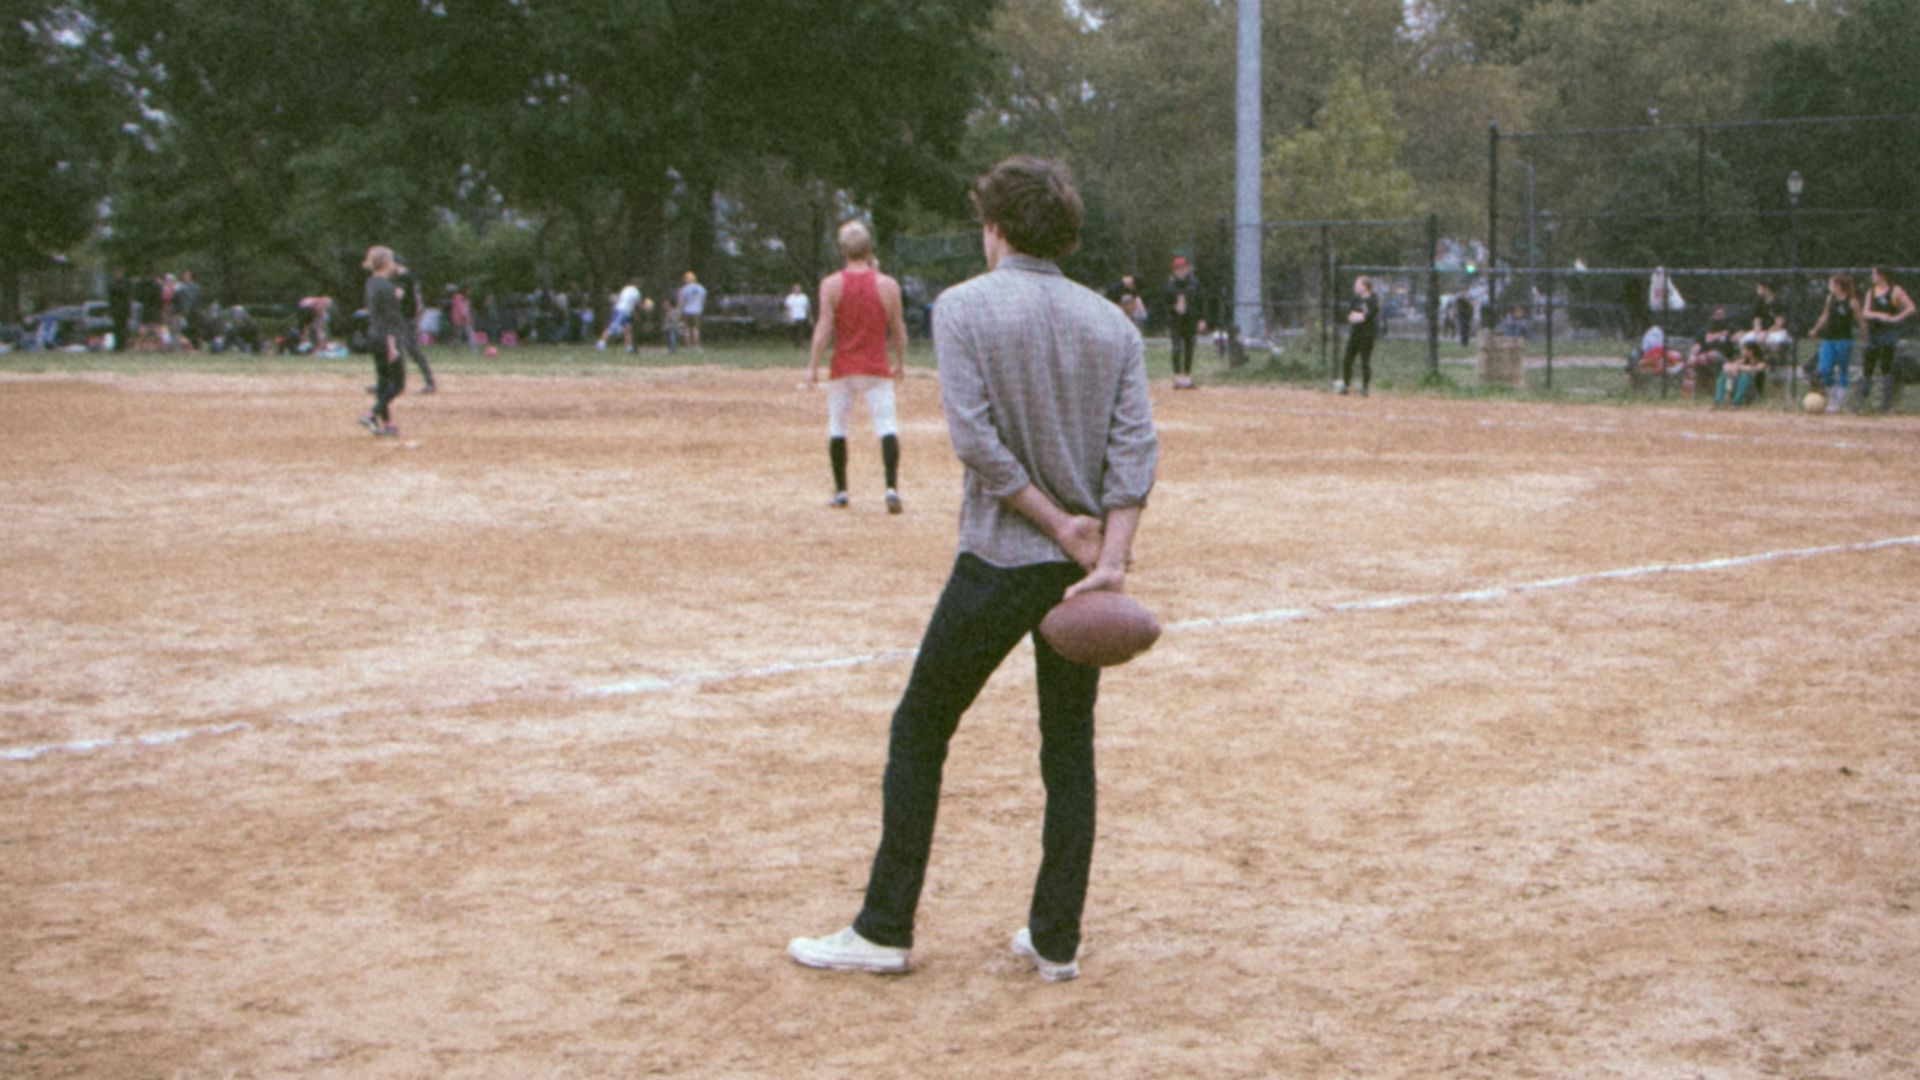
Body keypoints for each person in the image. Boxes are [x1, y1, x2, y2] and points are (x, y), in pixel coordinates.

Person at [788, 155, 1158, 983]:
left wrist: (1054, 520)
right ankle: (1055, 940)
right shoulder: (1113, 325)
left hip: (1000, 557)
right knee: (1069, 750)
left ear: (995, 228)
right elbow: (1134, 451)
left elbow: (976, 442)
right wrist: (1109, 556)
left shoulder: (962, 307)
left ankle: (884, 928)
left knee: (920, 727)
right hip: (1080, 577)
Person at [806, 221, 909, 513]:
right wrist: (901, 362)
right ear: (869, 249)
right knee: (886, 425)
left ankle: (841, 491)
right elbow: (898, 329)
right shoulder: (888, 285)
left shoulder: (831, 285)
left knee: (838, 426)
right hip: (876, 367)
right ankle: (891, 489)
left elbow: (824, 327)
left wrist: (813, 365)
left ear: (842, 250)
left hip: (844, 366)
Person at [358, 247, 407, 437]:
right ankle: (371, 414)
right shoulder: (386, 287)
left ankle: (387, 424)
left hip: (374, 335)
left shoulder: (371, 283)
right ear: (386, 263)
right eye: (393, 260)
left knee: (383, 382)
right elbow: (389, 319)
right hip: (388, 337)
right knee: (398, 384)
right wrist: (392, 345)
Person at [1859, 267, 1914, 413]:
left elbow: (1911, 308)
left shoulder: (1895, 290)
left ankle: (1886, 404)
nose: (1872, 277)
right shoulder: (1871, 292)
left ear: (1882, 275)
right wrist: (1878, 315)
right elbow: (1865, 312)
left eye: (1874, 274)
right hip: (1874, 333)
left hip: (1889, 333)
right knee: (1868, 365)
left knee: (1886, 366)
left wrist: (1896, 318)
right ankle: (1862, 401)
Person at [1806, 273, 1862, 412]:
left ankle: (1840, 399)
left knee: (1843, 367)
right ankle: (1832, 393)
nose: (1829, 287)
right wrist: (1816, 329)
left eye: (1831, 284)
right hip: (1829, 338)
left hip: (1843, 339)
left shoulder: (1851, 301)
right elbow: (1825, 315)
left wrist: (1865, 334)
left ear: (1838, 286)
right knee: (1824, 368)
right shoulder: (1830, 298)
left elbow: (1860, 320)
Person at [391, 259, 437, 393]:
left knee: (399, 348)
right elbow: (418, 301)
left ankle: (395, 383)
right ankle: (429, 381)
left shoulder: (404, 278)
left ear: (397, 263)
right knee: (410, 349)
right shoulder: (411, 277)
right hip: (409, 318)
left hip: (404, 318)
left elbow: (398, 295)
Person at [1164, 256, 1204, 389]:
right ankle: (1177, 377)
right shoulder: (1170, 285)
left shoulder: (1195, 284)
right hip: (1176, 321)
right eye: (1177, 269)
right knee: (1176, 348)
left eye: (1183, 268)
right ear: (1174, 270)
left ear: (1187, 269)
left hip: (1190, 320)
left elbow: (1201, 302)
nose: (1180, 271)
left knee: (1189, 348)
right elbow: (1164, 305)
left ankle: (1187, 376)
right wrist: (1173, 308)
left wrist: (1202, 319)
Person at [1338, 275, 1381, 396]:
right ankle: (1346, 385)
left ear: (1365, 286)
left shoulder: (1373, 299)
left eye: (1358, 284)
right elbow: (1351, 315)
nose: (1355, 287)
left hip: (1367, 335)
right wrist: (1359, 316)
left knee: (1365, 361)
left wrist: (1360, 316)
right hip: (1355, 334)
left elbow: (1369, 315)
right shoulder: (1355, 299)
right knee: (1347, 359)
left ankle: (1365, 387)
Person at [1714, 341, 1767, 408]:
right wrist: (1732, 369)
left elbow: (1755, 369)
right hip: (1740, 388)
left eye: (1744, 350)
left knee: (1745, 375)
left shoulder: (1761, 362)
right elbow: (1726, 366)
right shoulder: (1743, 361)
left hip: (1752, 392)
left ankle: (1737, 402)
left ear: (1750, 351)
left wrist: (1740, 367)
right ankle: (1718, 400)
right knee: (1723, 373)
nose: (1742, 351)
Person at [597, 278, 643, 353]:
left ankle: (628, 347)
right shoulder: (636, 292)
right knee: (613, 327)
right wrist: (646, 307)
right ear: (638, 285)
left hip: (621, 310)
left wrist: (635, 314)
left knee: (628, 329)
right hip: (622, 311)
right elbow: (637, 304)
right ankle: (601, 343)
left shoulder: (626, 289)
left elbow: (627, 302)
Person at [678, 271, 707, 350]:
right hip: (697, 311)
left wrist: (680, 312)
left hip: (686, 311)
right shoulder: (701, 288)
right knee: (696, 329)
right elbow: (703, 300)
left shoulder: (684, 289)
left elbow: (681, 302)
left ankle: (687, 346)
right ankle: (696, 346)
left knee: (686, 328)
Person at [784, 283, 812, 349]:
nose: (797, 290)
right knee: (793, 331)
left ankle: (798, 344)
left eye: (798, 288)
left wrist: (809, 315)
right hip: (793, 316)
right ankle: (794, 341)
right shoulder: (790, 297)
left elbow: (807, 306)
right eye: (796, 288)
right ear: (793, 289)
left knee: (800, 331)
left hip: (801, 316)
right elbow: (788, 308)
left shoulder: (804, 297)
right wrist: (789, 317)